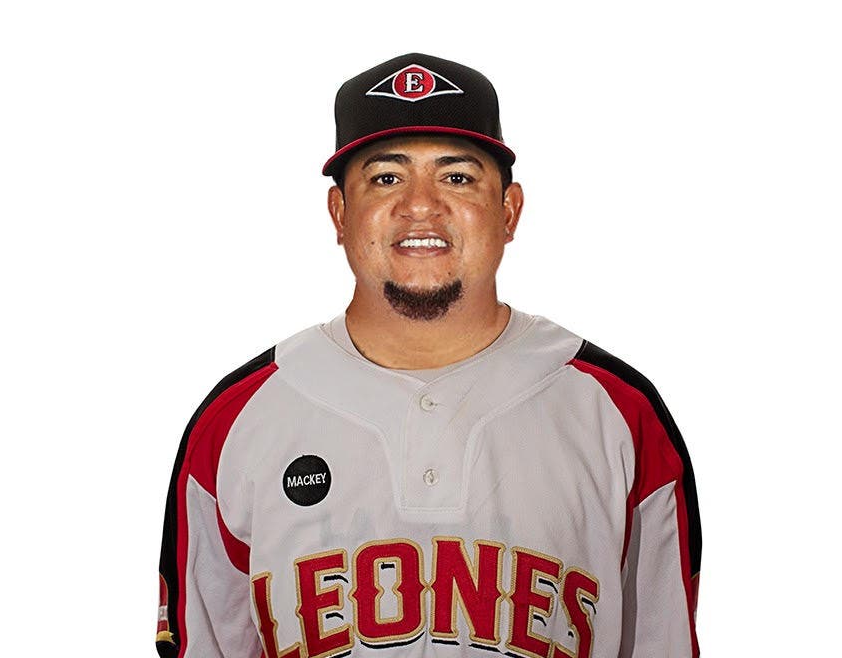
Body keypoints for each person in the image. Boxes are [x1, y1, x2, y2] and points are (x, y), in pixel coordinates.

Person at [155, 53, 702, 658]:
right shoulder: (236, 421)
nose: (421, 205)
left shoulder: (618, 413)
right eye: (386, 178)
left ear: (509, 211)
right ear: (340, 213)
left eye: (457, 177)